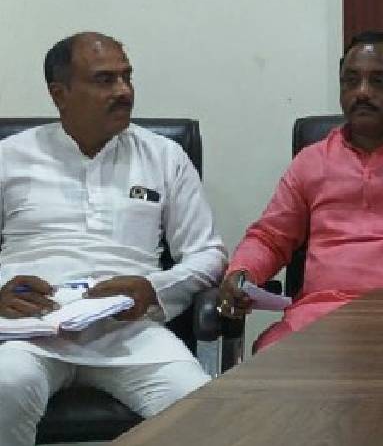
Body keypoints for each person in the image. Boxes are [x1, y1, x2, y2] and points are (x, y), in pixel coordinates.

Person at [0, 32, 227, 446]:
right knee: (5, 385)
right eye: (105, 80)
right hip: (28, 330)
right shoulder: (9, 156)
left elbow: (208, 253)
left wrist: (152, 288)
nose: (124, 91)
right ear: (60, 94)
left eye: (127, 77)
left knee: (199, 408)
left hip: (127, 329)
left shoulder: (163, 156)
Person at [217, 32, 383, 350]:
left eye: (379, 81)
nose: (362, 92)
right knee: (270, 361)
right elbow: (270, 237)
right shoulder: (312, 161)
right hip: (320, 319)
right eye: (350, 81)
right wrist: (242, 273)